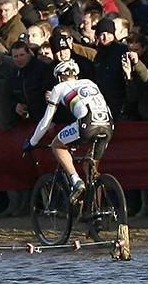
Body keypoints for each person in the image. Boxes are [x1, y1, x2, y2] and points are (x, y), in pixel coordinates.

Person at [22, 59, 115, 200]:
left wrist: (32, 142)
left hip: (87, 124)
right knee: (91, 171)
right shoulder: (90, 83)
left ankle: (75, 180)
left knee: (57, 145)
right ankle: (97, 213)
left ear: (59, 77)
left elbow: (46, 121)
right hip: (108, 125)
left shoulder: (59, 88)